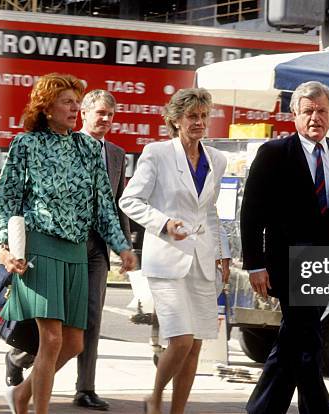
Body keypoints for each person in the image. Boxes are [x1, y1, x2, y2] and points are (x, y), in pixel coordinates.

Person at [0, 73, 135, 414]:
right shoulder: (26, 145)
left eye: (76, 102)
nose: (75, 108)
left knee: (73, 342)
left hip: (76, 253)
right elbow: (5, 200)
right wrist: (3, 248)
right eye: (68, 102)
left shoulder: (87, 149)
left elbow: (104, 206)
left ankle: (23, 393)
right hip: (39, 250)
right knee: (52, 339)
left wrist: (123, 246)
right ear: (48, 107)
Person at [241, 81, 329, 414]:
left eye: (321, 111)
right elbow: (252, 211)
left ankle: (265, 408)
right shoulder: (274, 153)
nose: (315, 117)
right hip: (286, 262)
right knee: (306, 336)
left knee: (300, 338)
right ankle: (313, 410)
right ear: (294, 115)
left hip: (323, 262)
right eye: (308, 111)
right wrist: (254, 264)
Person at [119, 88, 231, 414]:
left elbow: (210, 212)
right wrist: (164, 222)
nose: (199, 122)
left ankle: (176, 410)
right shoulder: (157, 153)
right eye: (192, 116)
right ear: (176, 120)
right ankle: (155, 397)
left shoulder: (217, 160)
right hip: (166, 259)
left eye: (203, 116)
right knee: (180, 340)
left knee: (195, 345)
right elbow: (130, 200)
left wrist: (223, 253)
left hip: (203, 260)